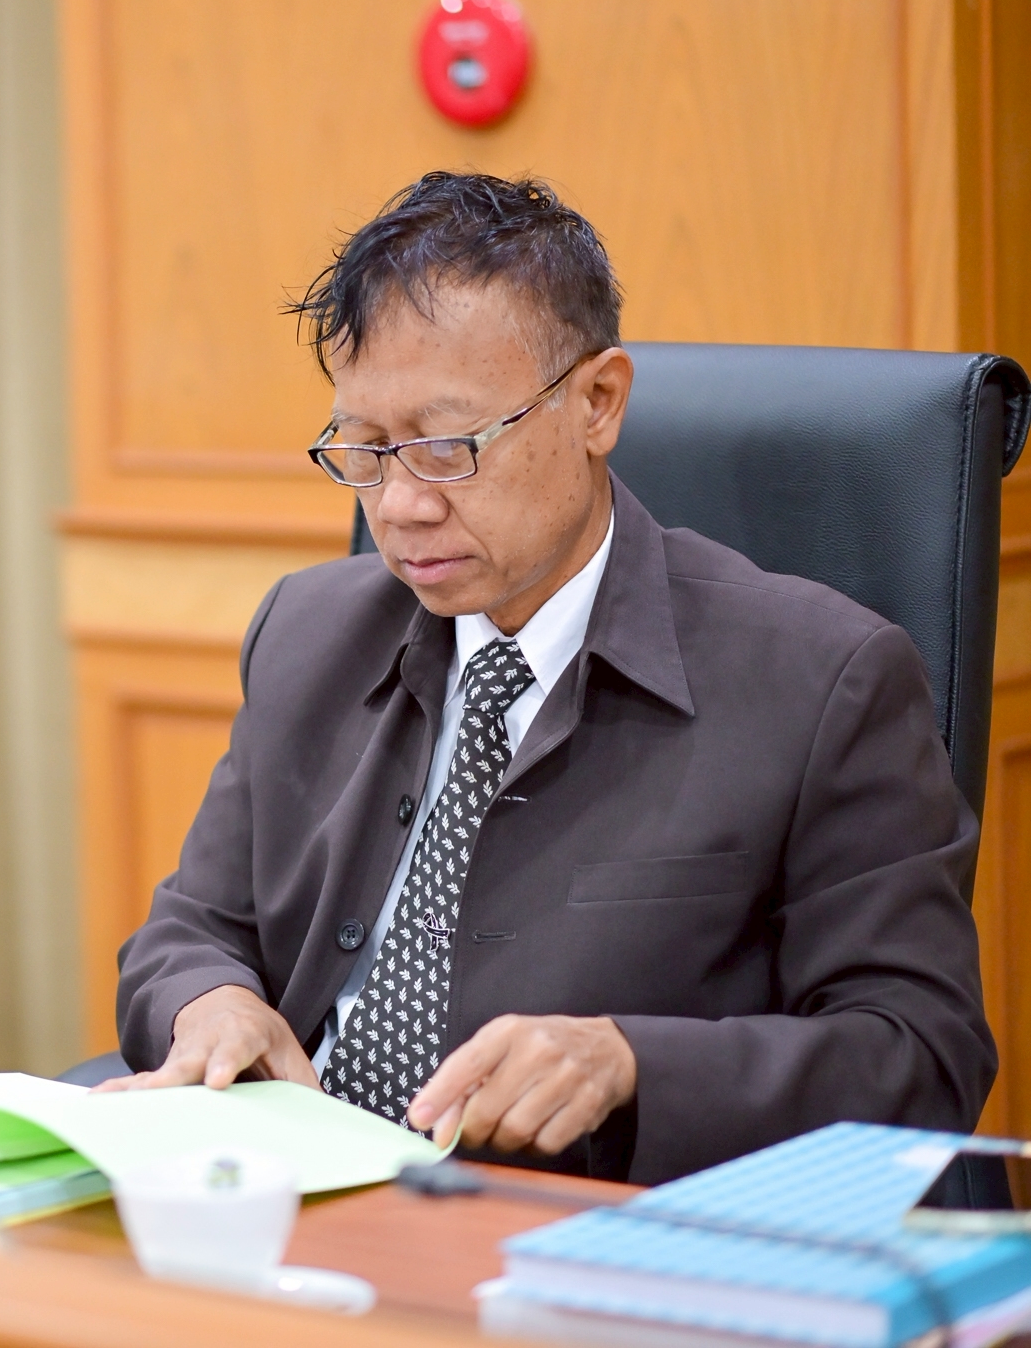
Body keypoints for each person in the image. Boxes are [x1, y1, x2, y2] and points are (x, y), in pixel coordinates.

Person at [105, 173, 994, 1185]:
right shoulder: (307, 631)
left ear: (596, 403)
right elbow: (190, 926)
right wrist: (209, 1002)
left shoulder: (821, 678)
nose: (397, 506)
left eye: (446, 447)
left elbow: (922, 1054)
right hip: (286, 1193)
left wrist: (631, 1066)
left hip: (582, 1224)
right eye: (365, 448)